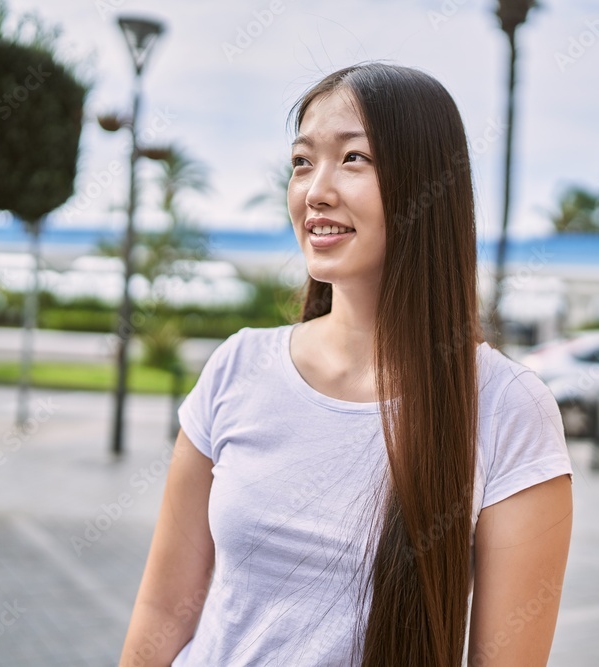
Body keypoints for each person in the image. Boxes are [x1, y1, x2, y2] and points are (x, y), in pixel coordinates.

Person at [119, 62, 573, 667]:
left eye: (354, 158)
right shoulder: (237, 367)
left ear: (426, 185)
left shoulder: (507, 407)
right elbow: (161, 614)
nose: (316, 190)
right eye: (303, 161)